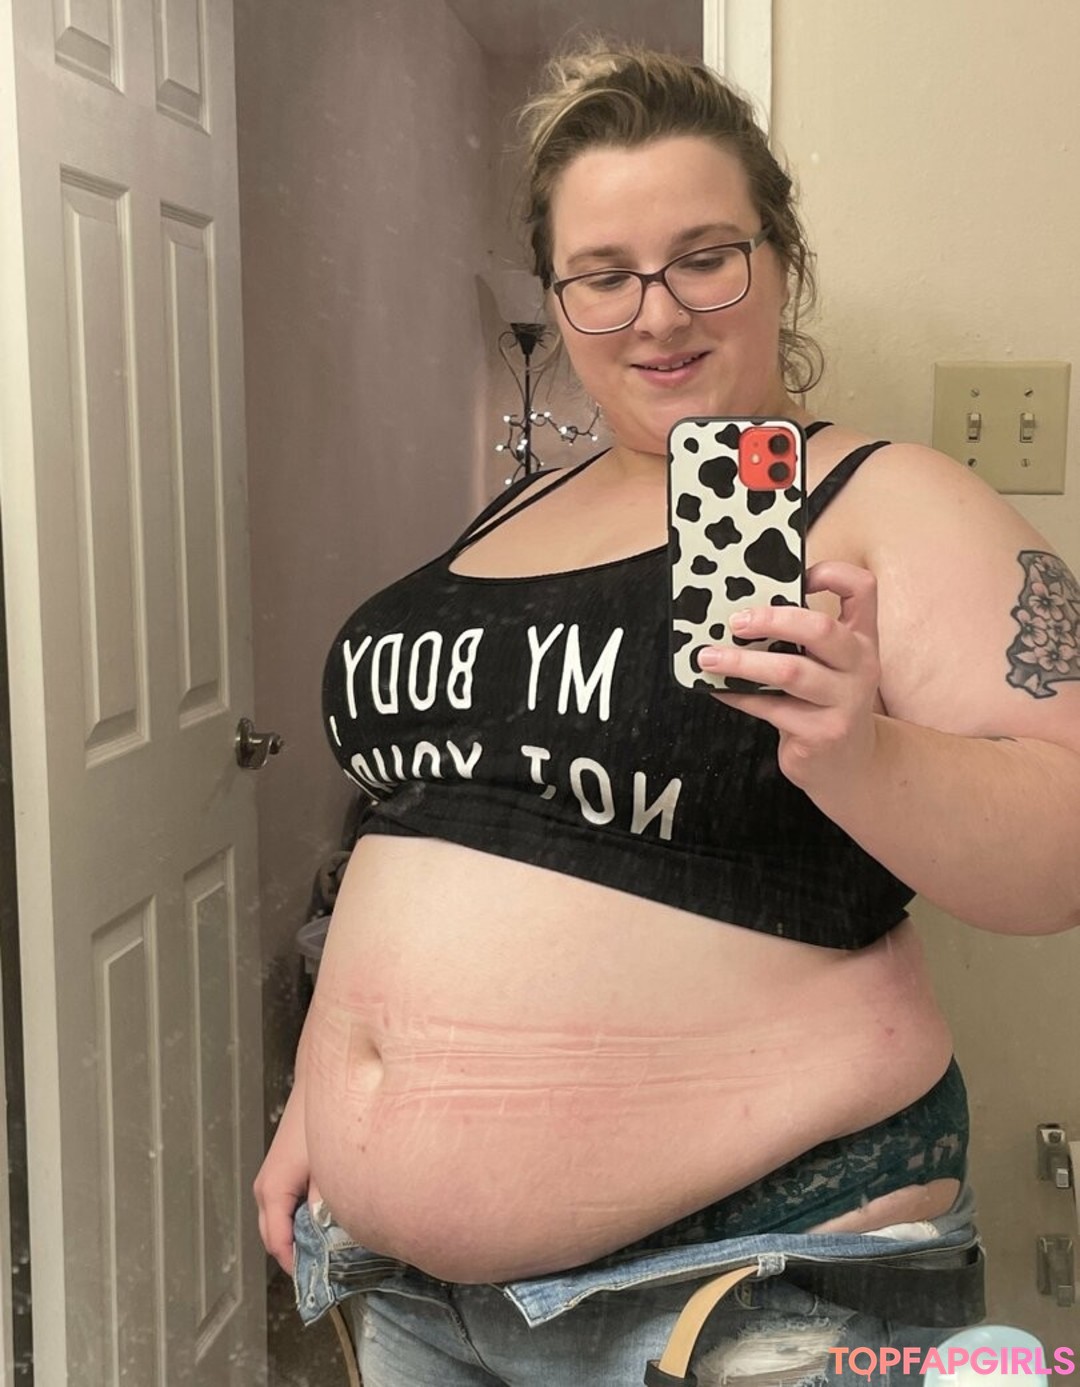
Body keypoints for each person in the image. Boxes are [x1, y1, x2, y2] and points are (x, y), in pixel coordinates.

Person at [254, 41, 1080, 1387]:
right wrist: (323, 1104)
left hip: (744, 1286)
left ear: (780, 260)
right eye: (603, 274)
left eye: (705, 257)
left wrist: (866, 757)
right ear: (558, 296)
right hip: (411, 1292)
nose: (657, 313)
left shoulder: (883, 500)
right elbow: (439, 821)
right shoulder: (514, 507)